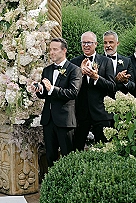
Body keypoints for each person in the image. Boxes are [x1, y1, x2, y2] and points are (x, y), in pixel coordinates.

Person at [31, 38, 82, 167]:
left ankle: (68, 185)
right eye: (50, 49)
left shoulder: (74, 70)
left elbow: (73, 93)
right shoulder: (47, 70)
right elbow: (45, 95)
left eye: (55, 49)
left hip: (65, 120)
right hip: (49, 120)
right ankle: (52, 186)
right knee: (50, 155)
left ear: (64, 51)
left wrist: (52, 88)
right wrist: (39, 89)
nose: (51, 52)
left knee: (68, 156)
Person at [70, 31, 116, 151]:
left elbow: (112, 86)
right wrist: (79, 73)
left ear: (96, 44)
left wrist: (96, 78)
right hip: (80, 114)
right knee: (76, 150)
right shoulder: (74, 62)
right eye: (83, 43)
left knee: (104, 149)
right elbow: (69, 88)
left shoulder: (106, 62)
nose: (86, 45)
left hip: (101, 113)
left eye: (89, 42)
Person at [103, 31, 136, 95]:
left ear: (117, 43)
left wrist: (125, 81)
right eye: (105, 43)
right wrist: (115, 80)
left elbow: (132, 86)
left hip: (121, 101)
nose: (108, 45)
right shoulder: (98, 60)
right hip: (102, 101)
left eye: (111, 42)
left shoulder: (127, 61)